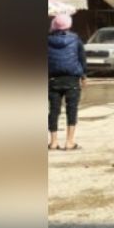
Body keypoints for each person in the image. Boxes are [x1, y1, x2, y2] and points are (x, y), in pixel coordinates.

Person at [47, 14, 87, 150]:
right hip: (72, 78)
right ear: (68, 25)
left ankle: (53, 142)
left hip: (53, 79)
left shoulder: (47, 40)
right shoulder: (76, 40)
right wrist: (83, 76)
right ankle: (69, 142)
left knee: (53, 110)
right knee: (72, 109)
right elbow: (82, 58)